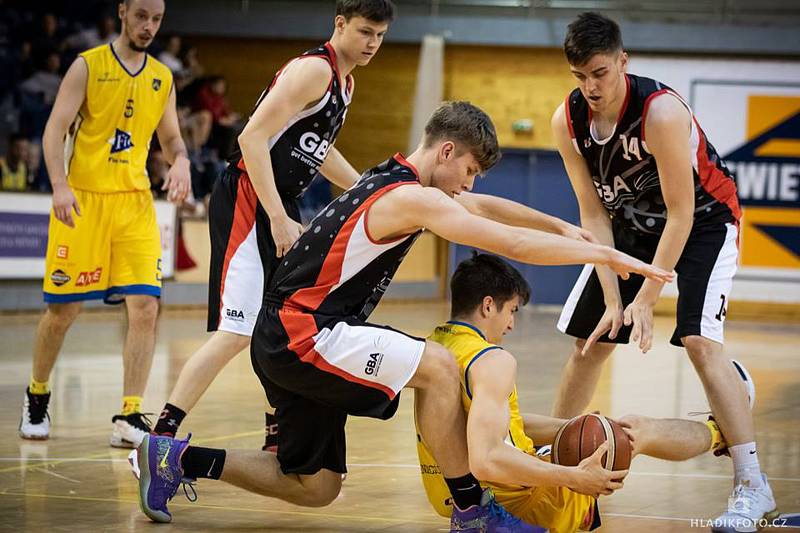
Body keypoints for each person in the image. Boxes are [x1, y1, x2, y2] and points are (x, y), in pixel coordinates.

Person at [133, 101, 671, 530]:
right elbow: (504, 239)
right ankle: (471, 512)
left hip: (287, 334)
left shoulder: (390, 178)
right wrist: (605, 253)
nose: (469, 183)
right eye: (469, 170)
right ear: (447, 149)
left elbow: (485, 210)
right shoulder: (413, 198)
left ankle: (173, 459)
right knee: (437, 366)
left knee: (316, 486)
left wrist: (562, 227)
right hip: (305, 331)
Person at [549, 12, 775, 532]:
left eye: (600, 73)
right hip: (628, 229)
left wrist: (647, 297)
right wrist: (612, 296)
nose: (591, 86)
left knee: (699, 341)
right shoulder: (568, 120)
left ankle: (752, 484)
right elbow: (591, 213)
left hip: (704, 223)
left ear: (623, 62)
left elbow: (682, 213)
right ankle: (559, 463)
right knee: (590, 342)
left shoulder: (660, 113)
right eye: (580, 75)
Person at [149, 0, 396, 449]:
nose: (372, 43)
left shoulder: (346, 84)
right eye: (364, 32)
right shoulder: (314, 71)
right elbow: (251, 137)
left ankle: (276, 430)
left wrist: (363, 189)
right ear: (339, 24)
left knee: (279, 323)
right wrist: (279, 218)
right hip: (249, 195)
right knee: (238, 331)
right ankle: (162, 433)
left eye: (379, 35)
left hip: (279, 201)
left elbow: (320, 152)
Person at [417, 253, 753, 533]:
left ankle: (721, 423)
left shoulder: (435, 347)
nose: (512, 324)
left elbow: (493, 425)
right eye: (512, 311)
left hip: (446, 496)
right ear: (488, 306)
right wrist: (575, 477)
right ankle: (720, 429)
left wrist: (571, 427)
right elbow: (487, 460)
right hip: (518, 503)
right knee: (630, 433)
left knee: (595, 427)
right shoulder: (493, 360)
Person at [18, 0, 191, 448]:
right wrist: (59, 184)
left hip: (134, 203)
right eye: (141, 17)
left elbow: (170, 137)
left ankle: (129, 414)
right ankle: (37, 395)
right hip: (84, 202)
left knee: (146, 308)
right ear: (122, 12)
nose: (149, 26)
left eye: (156, 19)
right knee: (63, 311)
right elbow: (54, 130)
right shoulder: (87, 66)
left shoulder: (163, 77)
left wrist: (182, 162)